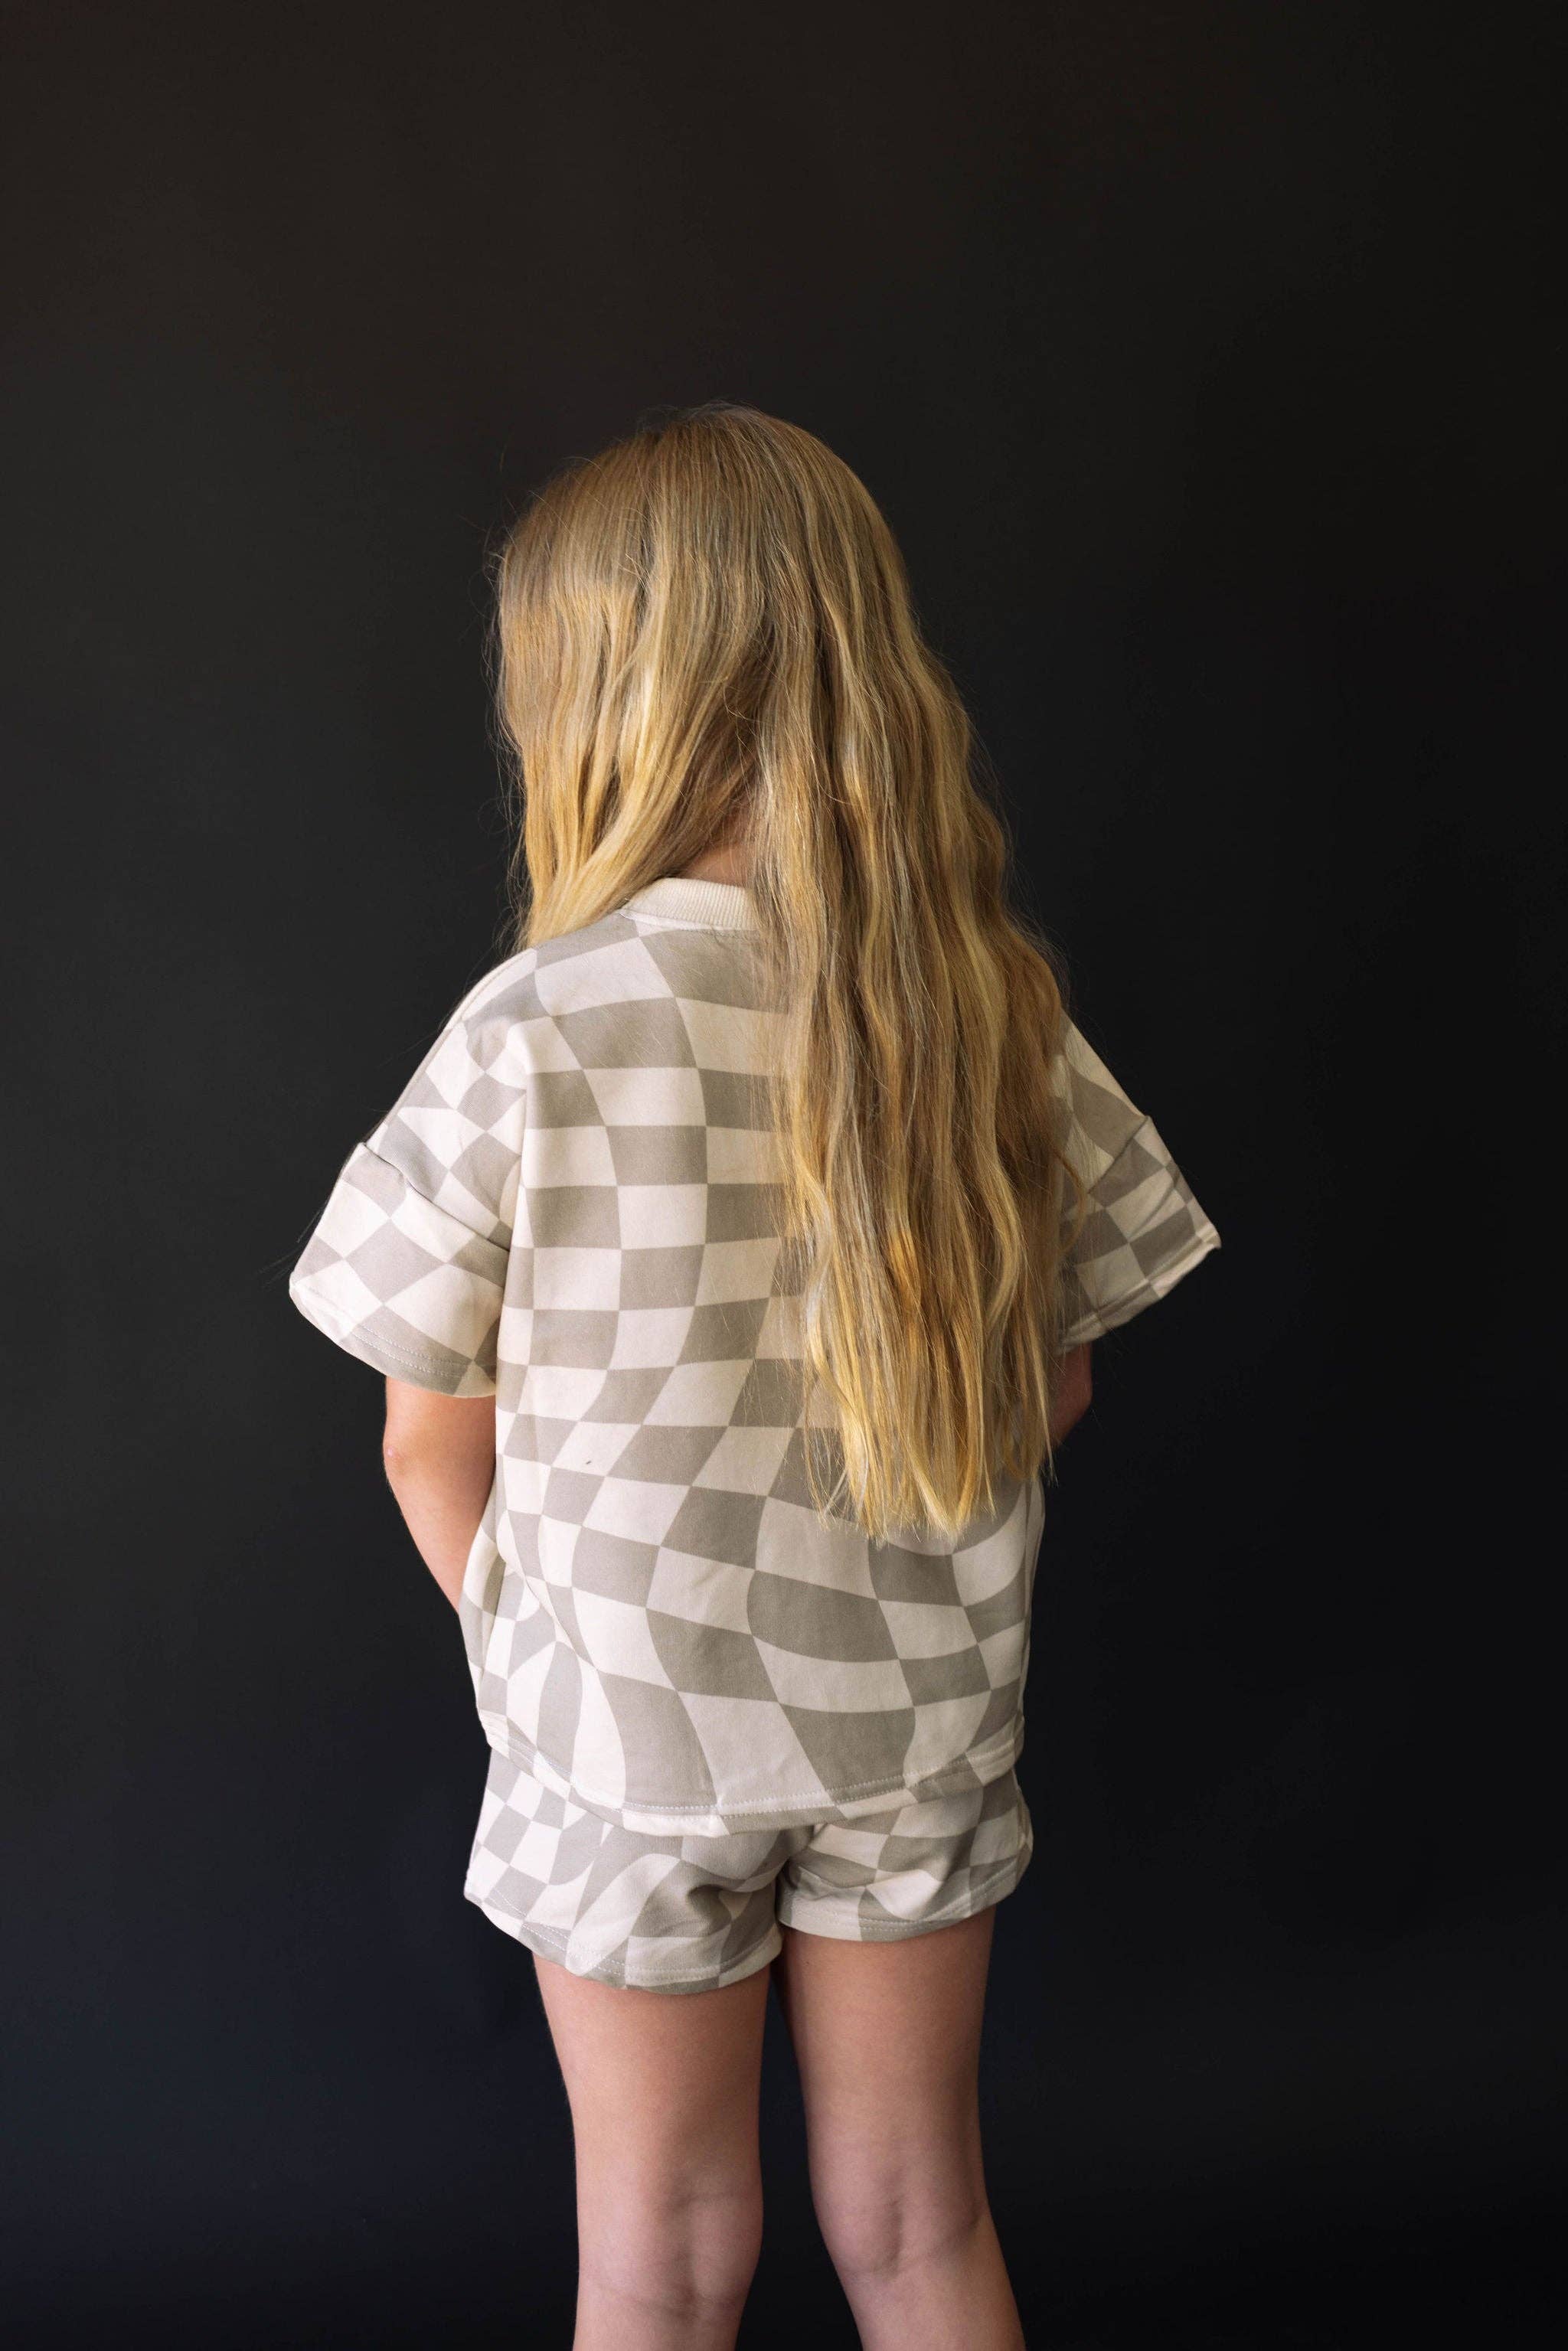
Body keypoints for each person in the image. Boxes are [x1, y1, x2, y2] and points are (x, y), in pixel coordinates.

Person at [289, 401, 1220, 2351]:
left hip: (627, 1741)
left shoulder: (536, 1026)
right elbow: (1052, 1391)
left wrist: (544, 1656)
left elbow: (421, 1438)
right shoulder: (981, 1006)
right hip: (919, 1721)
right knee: (920, 2228)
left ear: (599, 696)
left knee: (659, 2262)